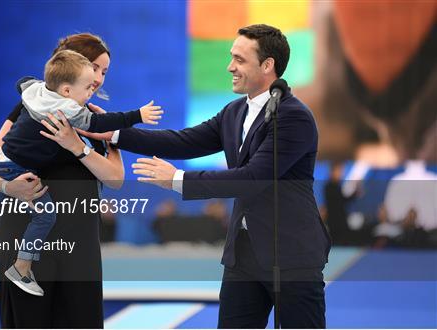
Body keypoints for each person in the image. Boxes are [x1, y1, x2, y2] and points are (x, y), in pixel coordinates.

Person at [80, 24, 331, 328]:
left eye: (240, 60)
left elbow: (253, 177)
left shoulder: (294, 117)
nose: (230, 67)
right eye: (231, 57)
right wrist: (116, 134)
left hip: (293, 257)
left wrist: (177, 180)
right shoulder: (234, 112)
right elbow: (183, 140)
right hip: (244, 256)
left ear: (268, 66)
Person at [0, 33, 159, 327]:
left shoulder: (99, 120)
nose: (98, 78)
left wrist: (78, 146)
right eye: (93, 68)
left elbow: (115, 179)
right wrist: (9, 187)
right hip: (25, 230)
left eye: (104, 71)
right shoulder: (29, 107)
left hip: (79, 239)